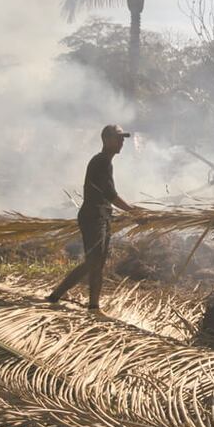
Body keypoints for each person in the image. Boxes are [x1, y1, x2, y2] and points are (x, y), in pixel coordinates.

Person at [47, 124, 140, 313]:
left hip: (102, 216)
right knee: (93, 261)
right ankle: (67, 298)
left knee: (98, 262)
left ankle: (88, 304)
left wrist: (130, 211)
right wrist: (133, 212)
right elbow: (110, 193)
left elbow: (108, 196)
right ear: (106, 140)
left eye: (123, 138)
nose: (122, 142)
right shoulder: (101, 162)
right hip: (93, 217)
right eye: (118, 138)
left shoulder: (107, 162)